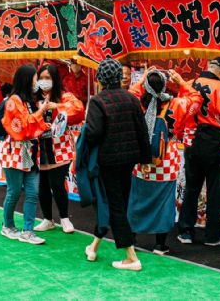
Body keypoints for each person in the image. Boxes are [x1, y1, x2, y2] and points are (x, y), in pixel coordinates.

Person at [84, 58, 151, 271]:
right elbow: (143, 131)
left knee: (114, 207)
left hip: (107, 162)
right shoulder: (131, 99)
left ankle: (132, 258)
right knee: (116, 204)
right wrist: (146, 160)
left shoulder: (97, 101)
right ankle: (93, 246)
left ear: (101, 78)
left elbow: (93, 133)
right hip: (128, 160)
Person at [128, 68, 202, 256]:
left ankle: (132, 239)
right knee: (164, 203)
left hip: (141, 161)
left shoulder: (137, 103)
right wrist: (181, 83)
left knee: (137, 200)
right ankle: (160, 245)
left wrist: (142, 79)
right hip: (166, 161)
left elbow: (132, 93)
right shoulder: (176, 104)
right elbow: (196, 99)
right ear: (165, 85)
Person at [178, 57, 220, 247]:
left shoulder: (189, 85)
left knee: (191, 188)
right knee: (216, 190)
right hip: (216, 143)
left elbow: (179, 111)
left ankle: (185, 232)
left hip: (191, 141)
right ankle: (212, 236)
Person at [0, 64, 50, 245]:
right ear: (27, 80)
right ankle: (8, 225)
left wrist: (44, 126)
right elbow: (24, 125)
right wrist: (42, 112)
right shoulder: (13, 101)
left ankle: (27, 230)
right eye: (36, 79)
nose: (38, 82)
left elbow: (31, 124)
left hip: (29, 151)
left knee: (32, 192)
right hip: (15, 151)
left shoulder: (29, 101)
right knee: (14, 191)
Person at [33, 64, 84, 235]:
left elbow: (79, 110)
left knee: (57, 183)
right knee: (42, 185)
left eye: (48, 78)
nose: (44, 81)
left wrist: (57, 106)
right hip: (39, 148)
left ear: (55, 79)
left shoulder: (65, 96)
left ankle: (64, 218)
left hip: (60, 147)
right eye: (42, 78)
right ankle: (47, 219)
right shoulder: (33, 98)